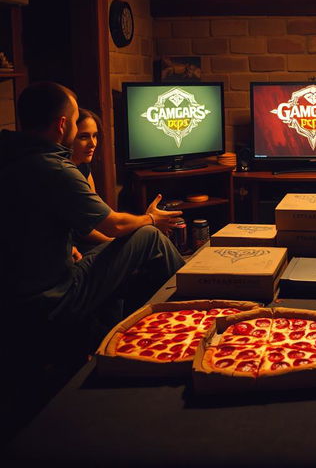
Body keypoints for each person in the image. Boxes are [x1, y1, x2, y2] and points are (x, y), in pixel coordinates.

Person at [0, 82, 185, 336]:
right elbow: (114, 225)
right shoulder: (56, 170)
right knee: (149, 236)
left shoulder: (12, 155)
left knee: (129, 264)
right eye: (78, 125)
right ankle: (197, 305)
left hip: (16, 295)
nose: (87, 139)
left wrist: (69, 248)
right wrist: (150, 218)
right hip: (54, 298)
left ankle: (127, 331)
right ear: (62, 125)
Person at [70, 108, 112, 254]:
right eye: (83, 137)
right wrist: (114, 240)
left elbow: (97, 212)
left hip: (89, 239)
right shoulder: (65, 172)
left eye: (95, 136)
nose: (92, 143)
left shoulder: (84, 166)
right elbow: (84, 230)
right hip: (77, 247)